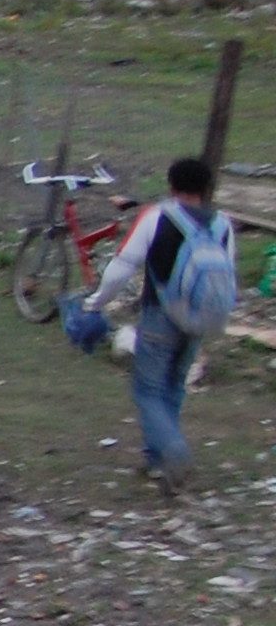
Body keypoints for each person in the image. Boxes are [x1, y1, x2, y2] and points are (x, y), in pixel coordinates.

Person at [85, 156, 239, 498]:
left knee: (148, 389)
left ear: (171, 185)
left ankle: (173, 450)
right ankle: (157, 459)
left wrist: (96, 302)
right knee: (173, 386)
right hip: (200, 317)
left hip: (160, 315)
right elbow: (228, 276)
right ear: (206, 188)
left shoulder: (157, 216)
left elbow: (123, 266)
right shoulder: (222, 224)